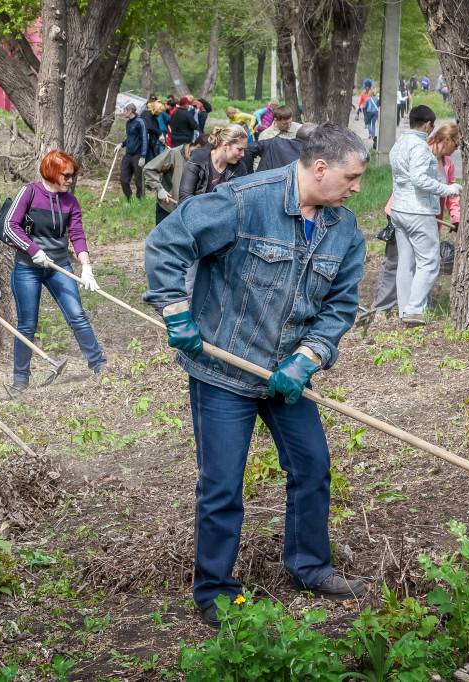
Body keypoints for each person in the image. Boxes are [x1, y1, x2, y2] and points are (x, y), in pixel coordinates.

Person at [143, 123, 371, 627]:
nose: (357, 187)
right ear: (319, 169)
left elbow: (339, 307)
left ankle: (309, 566)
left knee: (312, 467)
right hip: (224, 368)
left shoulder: (344, 230)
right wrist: (176, 310)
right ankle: (216, 590)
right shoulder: (244, 202)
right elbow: (168, 241)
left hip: (287, 374)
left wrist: (308, 358)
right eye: (351, 177)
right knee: (223, 484)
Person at [3, 150, 107, 390]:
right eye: (66, 176)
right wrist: (32, 250)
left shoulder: (70, 201)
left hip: (58, 266)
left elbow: (77, 235)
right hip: (27, 268)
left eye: (73, 176)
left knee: (77, 315)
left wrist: (86, 267)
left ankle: (99, 364)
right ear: (51, 173)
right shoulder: (29, 193)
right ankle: (20, 380)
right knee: (27, 324)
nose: (71, 180)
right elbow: (10, 225)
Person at [366, 123, 461, 323]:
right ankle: (383, 308)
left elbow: (450, 194)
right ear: (447, 140)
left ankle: (410, 309)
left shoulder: (447, 164)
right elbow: (415, 183)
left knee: (417, 262)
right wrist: (447, 189)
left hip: (428, 215)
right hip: (403, 212)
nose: (456, 150)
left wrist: (455, 216)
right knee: (397, 262)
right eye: (456, 144)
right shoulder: (419, 150)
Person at [388, 105, 461, 327]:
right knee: (429, 262)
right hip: (418, 211)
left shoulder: (399, 144)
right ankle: (414, 310)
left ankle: (404, 310)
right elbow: (419, 179)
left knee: (406, 262)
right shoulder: (420, 147)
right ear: (427, 125)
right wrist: (448, 189)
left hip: (399, 210)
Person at [179, 124, 251, 201]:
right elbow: (185, 198)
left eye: (244, 150)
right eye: (239, 149)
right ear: (225, 145)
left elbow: (241, 199)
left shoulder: (240, 168)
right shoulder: (197, 160)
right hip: (196, 212)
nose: (243, 154)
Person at [144, 139, 205, 225]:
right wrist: (159, 189)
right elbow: (149, 169)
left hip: (188, 212)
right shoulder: (174, 154)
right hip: (168, 208)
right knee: (163, 237)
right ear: (197, 146)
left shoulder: (204, 161)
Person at [249, 122, 315, 172]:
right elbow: (247, 149)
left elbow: (248, 149)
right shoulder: (310, 156)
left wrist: (249, 174)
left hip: (260, 185)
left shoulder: (274, 142)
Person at [119, 104, 148, 201]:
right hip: (128, 154)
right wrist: (121, 144)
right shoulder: (128, 123)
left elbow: (144, 139)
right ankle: (129, 199)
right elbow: (130, 138)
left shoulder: (140, 122)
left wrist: (143, 156)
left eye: (125, 110)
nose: (123, 112)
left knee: (139, 181)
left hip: (138, 155)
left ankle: (141, 200)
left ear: (130, 111)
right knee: (123, 179)